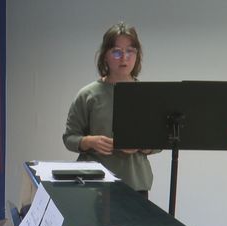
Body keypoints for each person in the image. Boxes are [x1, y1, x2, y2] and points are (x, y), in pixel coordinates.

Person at [62, 22, 158, 197]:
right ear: (105, 56)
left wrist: (143, 146)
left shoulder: (148, 95)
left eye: (130, 51)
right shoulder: (88, 94)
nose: (124, 58)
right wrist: (90, 141)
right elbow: (69, 138)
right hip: (96, 183)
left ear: (137, 55)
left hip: (135, 184)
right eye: (116, 51)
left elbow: (160, 140)